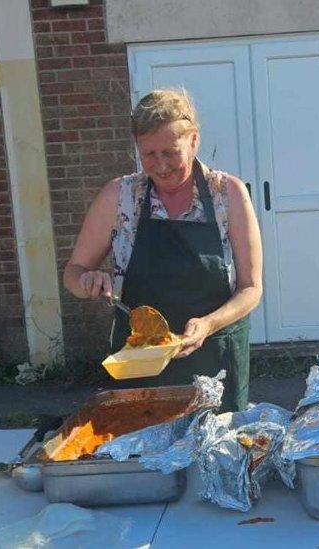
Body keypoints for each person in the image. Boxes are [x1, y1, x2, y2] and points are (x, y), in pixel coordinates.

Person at [63, 89, 263, 411]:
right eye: (149, 154)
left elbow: (251, 288)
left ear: (194, 140)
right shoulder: (121, 196)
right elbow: (73, 273)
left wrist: (209, 324)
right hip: (139, 366)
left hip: (214, 361)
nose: (161, 166)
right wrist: (87, 282)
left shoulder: (228, 195)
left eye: (171, 152)